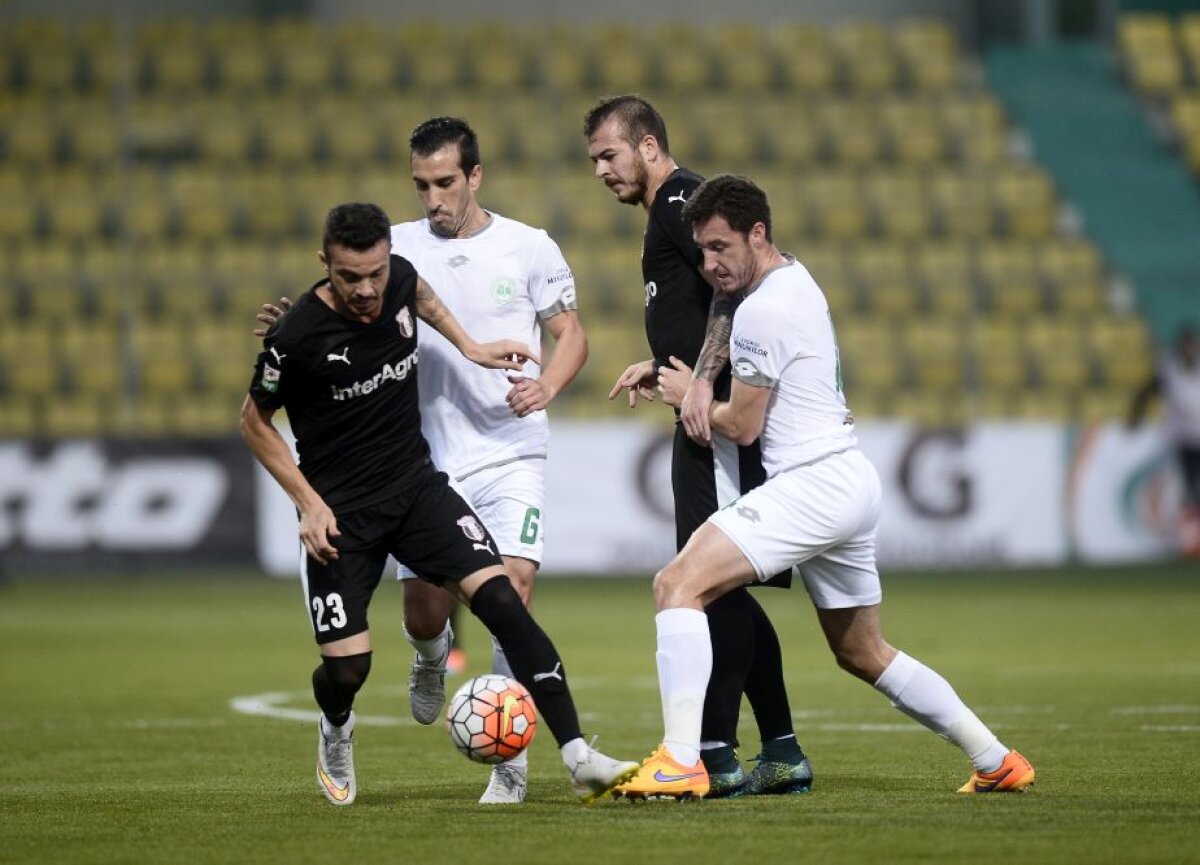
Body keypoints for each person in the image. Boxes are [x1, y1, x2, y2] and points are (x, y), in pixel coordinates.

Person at [614, 175, 1035, 800]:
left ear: (758, 233)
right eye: (702, 250)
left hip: (810, 484)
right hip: (849, 478)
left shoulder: (760, 310)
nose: (710, 265)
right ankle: (996, 758)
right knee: (862, 651)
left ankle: (681, 760)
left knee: (676, 585)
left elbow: (740, 426)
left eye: (721, 248)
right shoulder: (797, 278)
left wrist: (686, 395)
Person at [241, 202, 636, 807]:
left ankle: (578, 756)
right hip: (341, 513)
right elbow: (255, 422)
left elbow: (420, 295)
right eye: (351, 277)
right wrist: (308, 503)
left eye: (376, 272)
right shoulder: (296, 336)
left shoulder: (397, 277)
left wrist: (471, 347)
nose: (369, 289)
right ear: (325, 265)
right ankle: (336, 727)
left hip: (417, 489)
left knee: (507, 602)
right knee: (348, 670)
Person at [583, 95, 810, 797]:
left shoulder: (681, 199)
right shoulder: (670, 209)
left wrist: (701, 383)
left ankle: (712, 753)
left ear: (649, 147)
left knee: (704, 587)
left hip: (712, 425)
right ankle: (780, 749)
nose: (600, 171)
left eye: (609, 155)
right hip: (699, 416)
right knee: (723, 590)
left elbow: (731, 288)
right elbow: (703, 304)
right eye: (593, 160)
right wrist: (662, 368)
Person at [1129, 323, 1200, 557]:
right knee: (1188, 490)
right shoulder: (1170, 369)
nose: (1190, 349)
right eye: (1187, 345)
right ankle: (1190, 542)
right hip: (1182, 439)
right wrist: (1136, 414)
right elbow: (1150, 389)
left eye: (1192, 345)